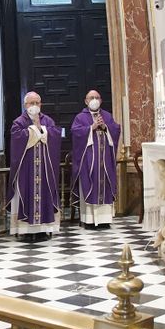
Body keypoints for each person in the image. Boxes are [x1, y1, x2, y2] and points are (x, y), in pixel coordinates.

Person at [9, 91, 60, 240]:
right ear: (25, 105)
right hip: (26, 169)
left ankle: (44, 229)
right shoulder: (19, 122)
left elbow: (55, 135)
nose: (35, 106)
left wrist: (42, 129)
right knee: (26, 193)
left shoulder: (48, 121)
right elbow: (17, 137)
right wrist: (34, 129)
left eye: (37, 103)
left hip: (43, 170)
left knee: (44, 193)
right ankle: (25, 230)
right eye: (32, 103)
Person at [71, 91, 120, 230]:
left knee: (105, 186)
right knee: (89, 185)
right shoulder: (80, 117)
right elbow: (75, 133)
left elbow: (116, 130)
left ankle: (105, 220)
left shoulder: (107, 116)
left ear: (101, 100)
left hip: (105, 161)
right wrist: (91, 128)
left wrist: (106, 127)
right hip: (88, 161)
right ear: (86, 101)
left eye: (97, 97)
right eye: (91, 98)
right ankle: (89, 220)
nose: (94, 100)